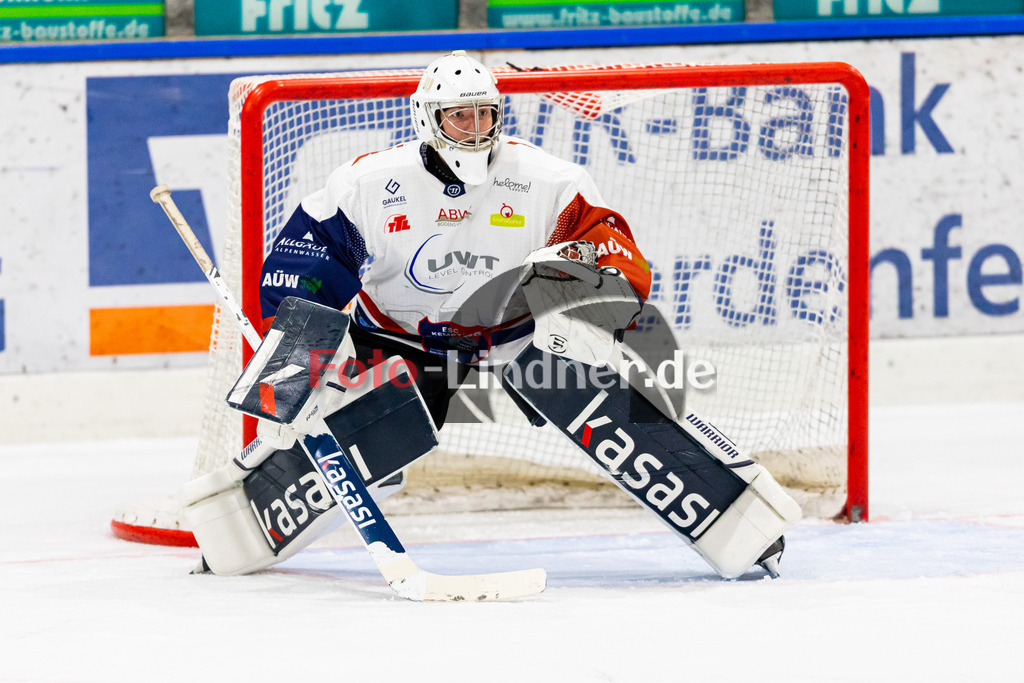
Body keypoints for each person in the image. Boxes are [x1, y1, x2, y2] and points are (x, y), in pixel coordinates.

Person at [259, 50, 652, 430]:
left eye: (485, 113)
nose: (474, 127)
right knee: (374, 449)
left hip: (521, 337)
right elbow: (306, 268)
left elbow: (610, 248)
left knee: (609, 400)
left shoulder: (551, 181)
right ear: (429, 118)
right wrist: (293, 363)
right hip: (401, 336)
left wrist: (605, 300)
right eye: (459, 115)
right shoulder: (366, 185)